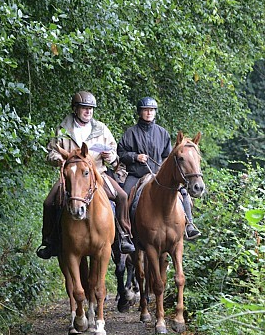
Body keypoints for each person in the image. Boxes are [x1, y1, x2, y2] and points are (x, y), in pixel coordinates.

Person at [36, 91, 135, 259]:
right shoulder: (63, 129)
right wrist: (58, 158)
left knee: (122, 196)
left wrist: (111, 157)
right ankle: (50, 241)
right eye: (84, 108)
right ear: (75, 109)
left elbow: (114, 153)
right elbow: (51, 151)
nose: (88, 111)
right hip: (72, 176)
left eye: (90, 108)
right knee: (49, 202)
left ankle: (123, 236)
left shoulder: (101, 129)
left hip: (98, 174)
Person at [117, 96, 201, 240]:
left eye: (152, 110)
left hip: (157, 175)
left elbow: (168, 156)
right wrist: (135, 157)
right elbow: (121, 153)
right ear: (140, 112)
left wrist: (163, 168)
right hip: (136, 174)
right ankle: (124, 233)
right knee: (124, 196)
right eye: (145, 110)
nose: (149, 113)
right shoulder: (130, 133)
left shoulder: (163, 133)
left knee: (183, 193)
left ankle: (189, 225)